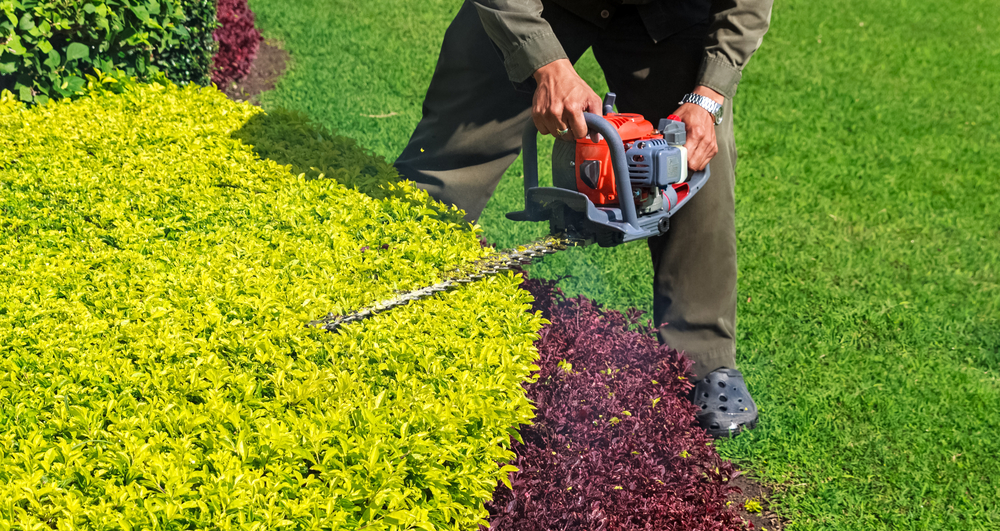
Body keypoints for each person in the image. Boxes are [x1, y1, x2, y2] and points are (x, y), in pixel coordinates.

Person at [394, 0, 773, 438]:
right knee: (450, 151)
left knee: (697, 154)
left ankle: (706, 358)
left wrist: (708, 96)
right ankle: (395, 272)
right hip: (539, 4)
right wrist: (545, 63)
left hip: (666, 11)